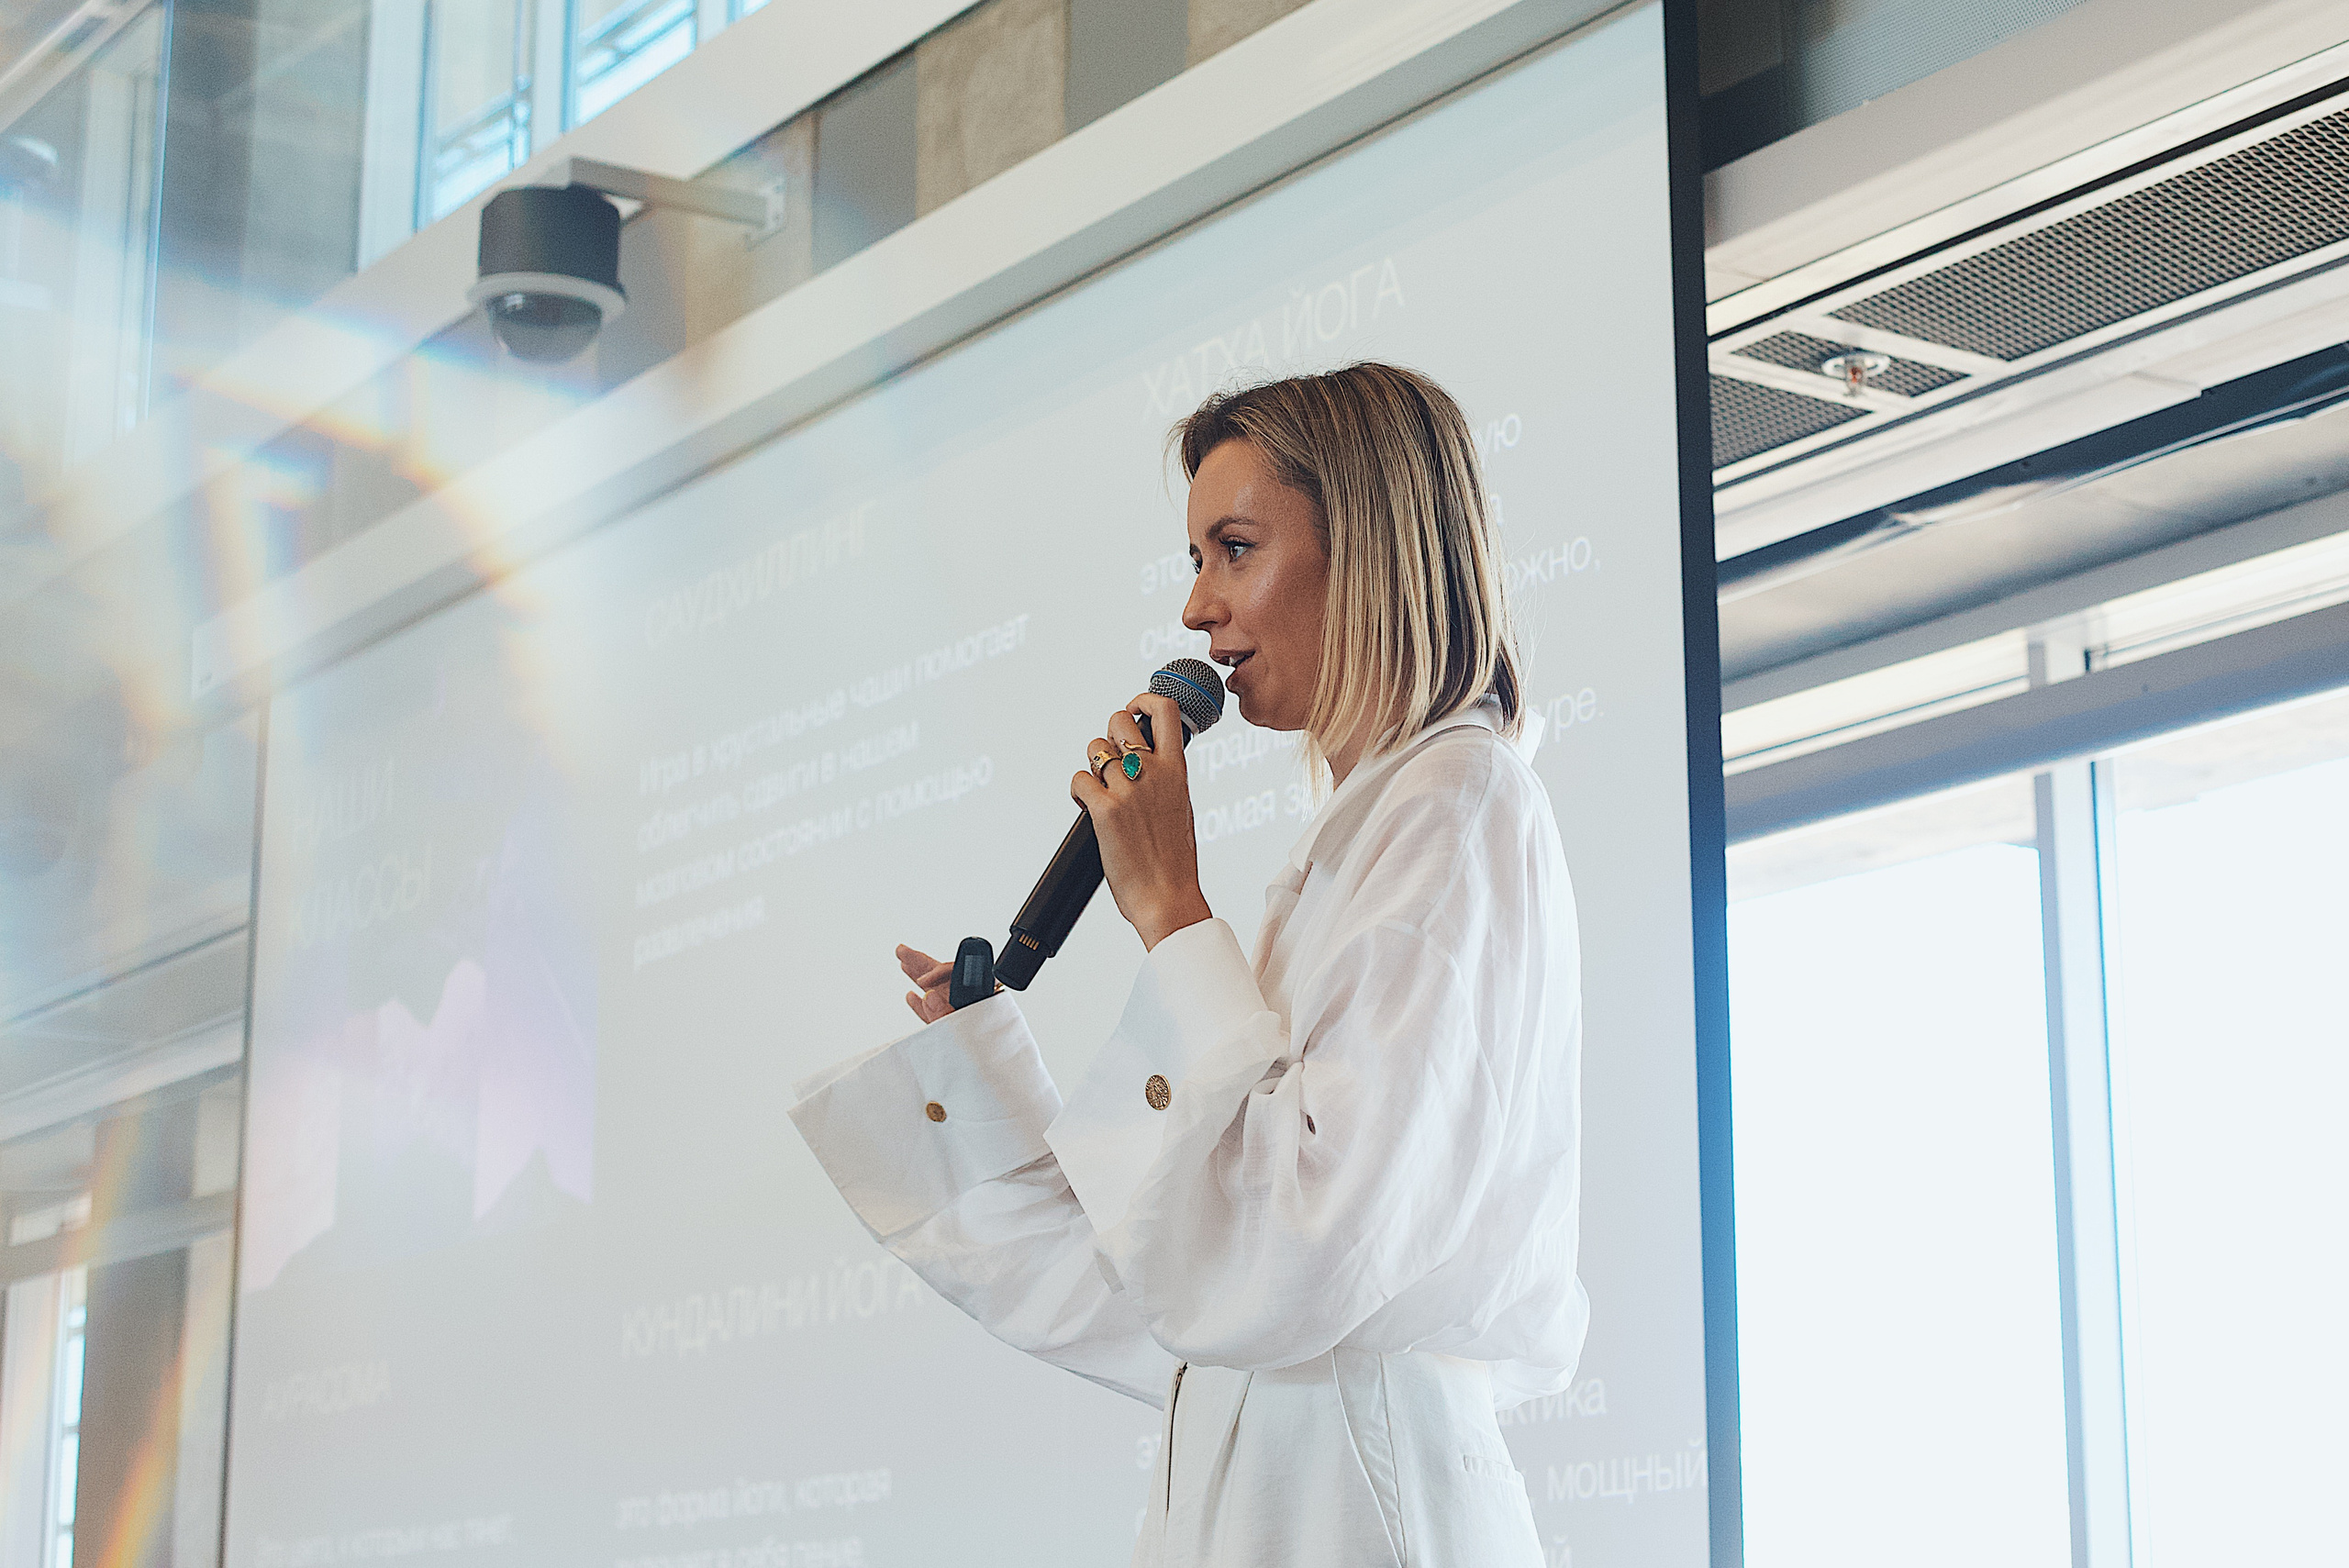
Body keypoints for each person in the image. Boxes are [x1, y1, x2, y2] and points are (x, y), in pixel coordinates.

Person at [789, 362, 1586, 1567]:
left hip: (1361, 1496)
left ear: (1363, 545)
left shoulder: (1458, 800)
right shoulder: (1356, 840)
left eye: (1235, 547)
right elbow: (1173, 1286)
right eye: (1197, 557)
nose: (1198, 610)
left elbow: (1308, 1238)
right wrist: (977, 1080)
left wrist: (1170, 910)